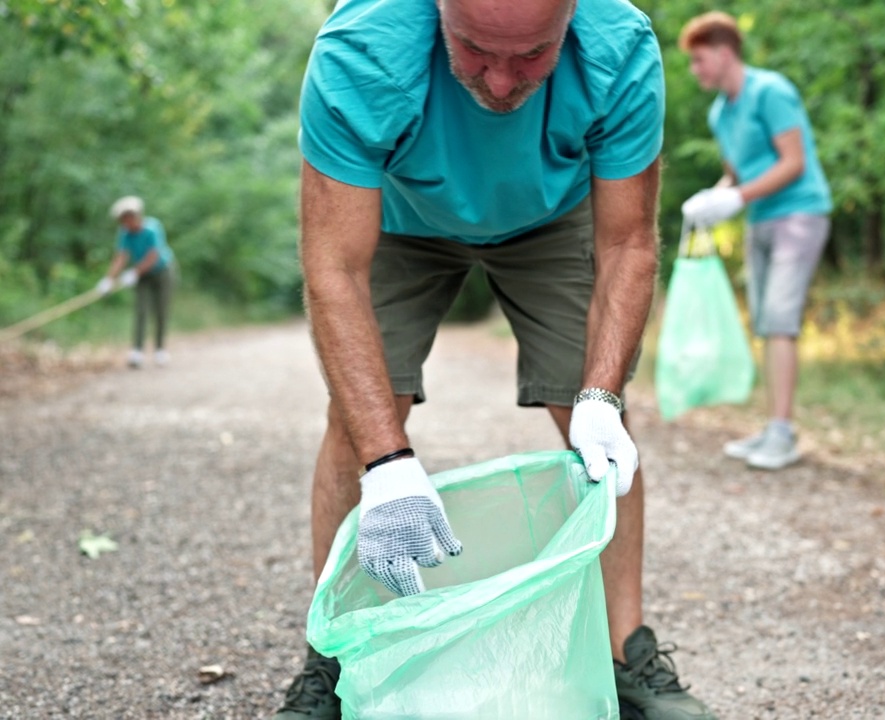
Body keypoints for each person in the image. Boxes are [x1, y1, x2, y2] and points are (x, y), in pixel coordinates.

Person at [274, 0, 716, 718]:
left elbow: (628, 245)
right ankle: (332, 659)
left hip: (555, 213)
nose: (504, 85)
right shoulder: (361, 51)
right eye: (475, 51)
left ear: (570, 19)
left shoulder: (619, 47)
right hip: (398, 214)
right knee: (360, 418)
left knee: (598, 425)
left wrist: (603, 397)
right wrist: (387, 463)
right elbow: (334, 270)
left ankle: (625, 653)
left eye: (534, 55)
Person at [677, 12, 833, 471]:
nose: (695, 70)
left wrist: (737, 197)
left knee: (781, 320)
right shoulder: (718, 112)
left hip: (800, 213)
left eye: (700, 60)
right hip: (760, 217)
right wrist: (714, 196)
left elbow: (794, 163)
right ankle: (773, 426)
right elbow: (737, 172)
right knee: (766, 321)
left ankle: (782, 434)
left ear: (725, 53)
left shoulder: (772, 92)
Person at [96, 196, 176, 368]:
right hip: (142, 275)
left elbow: (154, 255)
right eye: (122, 220)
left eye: (128, 218)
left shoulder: (153, 228)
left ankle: (160, 349)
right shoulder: (125, 234)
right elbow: (121, 257)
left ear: (137, 215)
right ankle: (137, 351)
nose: (126, 222)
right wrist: (109, 279)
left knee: (161, 310)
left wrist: (134, 272)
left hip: (162, 272)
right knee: (141, 310)